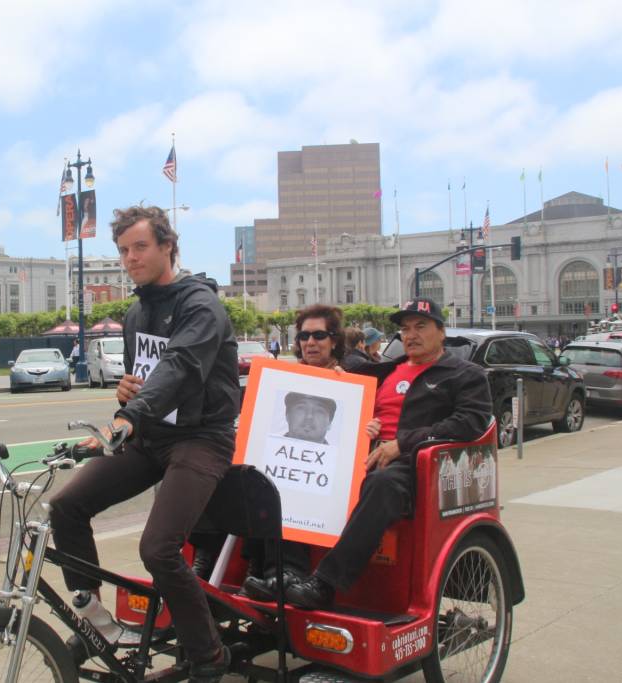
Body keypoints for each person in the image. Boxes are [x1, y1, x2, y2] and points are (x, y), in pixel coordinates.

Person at [49, 205, 240, 682]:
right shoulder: (136, 311)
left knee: (157, 548)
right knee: (66, 506)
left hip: (202, 438)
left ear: (167, 247)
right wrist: (127, 392)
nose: (129, 258)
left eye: (139, 247)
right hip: (153, 434)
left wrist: (128, 415)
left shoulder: (201, 306)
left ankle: (208, 655)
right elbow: (147, 377)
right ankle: (93, 621)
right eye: (122, 250)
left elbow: (178, 366)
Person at [284, 297, 492, 610]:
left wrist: (403, 443)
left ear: (441, 332)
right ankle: (286, 571)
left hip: (415, 465)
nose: (411, 335)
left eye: (421, 327)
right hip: (365, 455)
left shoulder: (464, 374)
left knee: (381, 484)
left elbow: (470, 422)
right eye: (406, 329)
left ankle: (325, 583)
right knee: (294, 470)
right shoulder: (384, 370)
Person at [240, 304, 347, 601]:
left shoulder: (352, 376)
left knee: (286, 483)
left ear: (334, 340)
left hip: (330, 471)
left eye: (319, 335)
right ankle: (245, 565)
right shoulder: (284, 376)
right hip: (288, 460)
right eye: (304, 336)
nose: (310, 342)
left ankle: (283, 572)